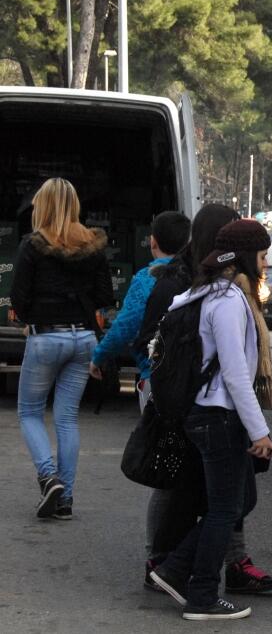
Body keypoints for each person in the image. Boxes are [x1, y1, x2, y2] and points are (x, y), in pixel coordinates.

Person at [138, 205, 272, 597]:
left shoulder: (198, 291)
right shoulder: (230, 299)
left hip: (203, 413)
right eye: (263, 256)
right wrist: (260, 431)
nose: (266, 264)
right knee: (224, 507)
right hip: (217, 415)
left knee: (233, 502)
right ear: (246, 256)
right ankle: (195, 586)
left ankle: (178, 570)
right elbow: (236, 375)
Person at [11, 178, 114, 520]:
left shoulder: (32, 245)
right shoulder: (94, 245)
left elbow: (19, 299)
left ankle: (47, 475)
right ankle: (66, 499)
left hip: (46, 337)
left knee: (29, 412)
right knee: (67, 417)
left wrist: (32, 314)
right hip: (83, 338)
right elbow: (104, 296)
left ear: (43, 206)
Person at [89, 210, 191, 412]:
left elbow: (125, 326)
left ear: (153, 242)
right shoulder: (196, 276)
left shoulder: (146, 279)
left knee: (156, 439)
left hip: (156, 373)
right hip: (192, 374)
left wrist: (98, 357)